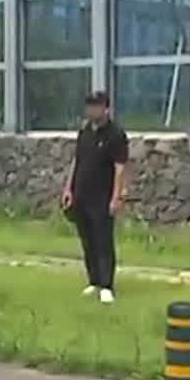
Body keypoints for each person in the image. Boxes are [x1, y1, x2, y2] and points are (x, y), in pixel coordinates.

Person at [61, 91, 129, 305]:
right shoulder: (84, 132)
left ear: (106, 109)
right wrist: (68, 189)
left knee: (103, 241)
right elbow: (76, 161)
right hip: (81, 193)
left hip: (102, 196)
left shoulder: (116, 134)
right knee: (87, 240)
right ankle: (94, 281)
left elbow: (120, 168)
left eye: (96, 106)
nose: (92, 110)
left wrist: (116, 197)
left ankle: (107, 285)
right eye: (89, 106)